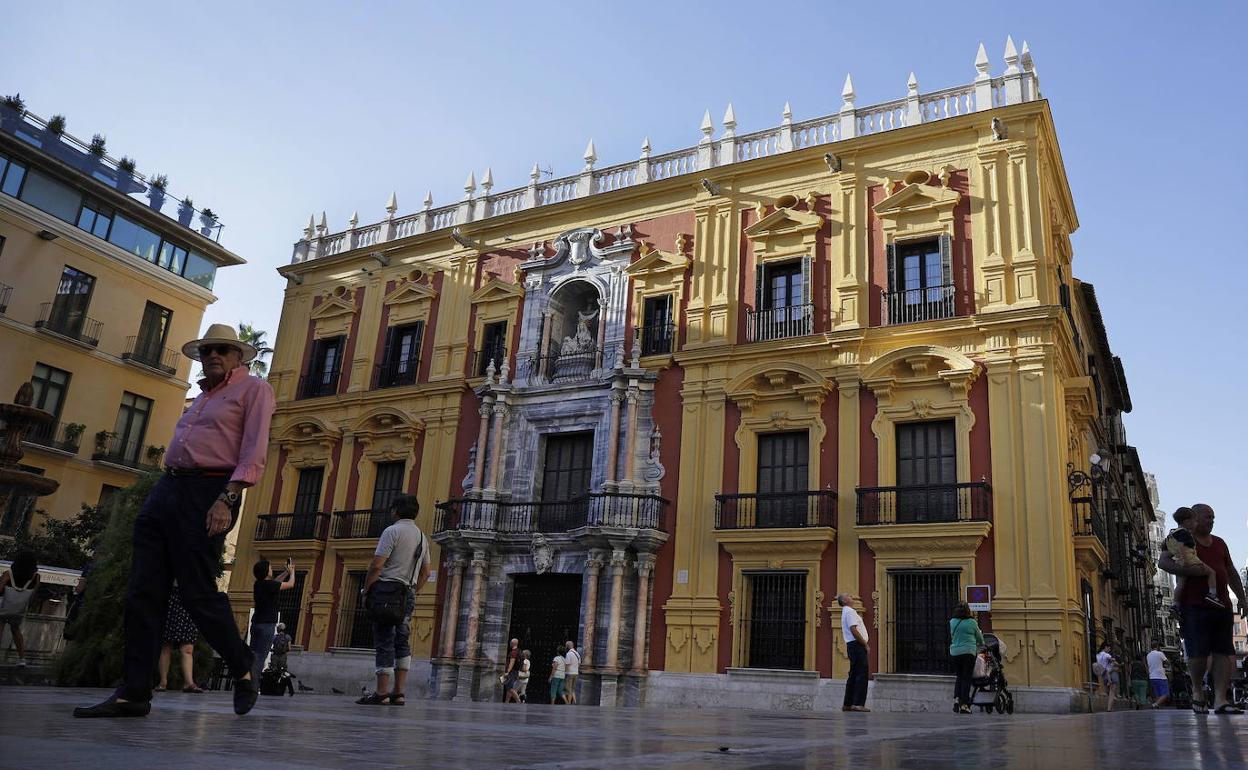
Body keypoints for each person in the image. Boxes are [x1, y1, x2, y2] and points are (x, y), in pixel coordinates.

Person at [74, 324, 276, 718]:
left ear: (238, 357)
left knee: (197, 592)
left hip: (211, 490)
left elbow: (253, 449)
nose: (213, 355)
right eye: (206, 350)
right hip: (168, 487)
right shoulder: (201, 396)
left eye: (222, 349)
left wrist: (227, 499)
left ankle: (241, 663)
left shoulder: (254, 390)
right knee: (141, 591)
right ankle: (133, 691)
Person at [1158, 503, 1248, 715]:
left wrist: (1243, 599)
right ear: (1194, 518)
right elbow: (1163, 562)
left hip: (1222, 605)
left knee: (1223, 651)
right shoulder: (1181, 538)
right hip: (1193, 606)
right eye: (1208, 516)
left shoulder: (1220, 543)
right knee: (1198, 653)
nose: (1212, 520)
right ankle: (1198, 691)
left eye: (1213, 517)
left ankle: (1220, 700)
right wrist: (1188, 569)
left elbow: (1231, 571)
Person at [357, 494, 430, 706]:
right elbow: (426, 571)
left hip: (387, 592)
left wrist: (367, 590)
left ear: (395, 510)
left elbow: (377, 565)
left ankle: (381, 693)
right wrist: (414, 590)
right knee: (402, 641)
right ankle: (399, 693)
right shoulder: (422, 537)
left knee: (384, 640)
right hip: (407, 593)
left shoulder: (392, 531)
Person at [1165, 507, 1223, 610]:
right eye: (1195, 521)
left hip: (1179, 561)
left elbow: (1165, 546)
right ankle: (1212, 595)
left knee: (1180, 585)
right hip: (1190, 560)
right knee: (1211, 572)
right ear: (1187, 522)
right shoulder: (1185, 533)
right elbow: (1183, 547)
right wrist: (1187, 560)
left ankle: (1175, 605)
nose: (1196, 524)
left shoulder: (1172, 533)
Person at [249, 557, 296, 681]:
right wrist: (292, 573)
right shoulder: (269, 585)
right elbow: (291, 584)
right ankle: (253, 682)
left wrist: (285, 572)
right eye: (269, 567)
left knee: (253, 653)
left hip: (256, 623)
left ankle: (246, 678)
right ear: (265, 571)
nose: (271, 569)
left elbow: (276, 582)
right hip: (267, 624)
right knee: (261, 655)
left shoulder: (258, 584)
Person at [156, 585, 201, 693]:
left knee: (188, 647)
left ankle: (189, 683)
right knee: (166, 644)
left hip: (191, 597)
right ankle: (163, 681)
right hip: (170, 595)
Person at [0, 551, 41, 666]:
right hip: (19, 609)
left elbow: (0, 587)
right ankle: (22, 659)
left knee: (0, 627)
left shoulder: (9, 573)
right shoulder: (36, 577)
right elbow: (33, 594)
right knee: (16, 630)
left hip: (4, 607)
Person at [949, 601, 984, 714]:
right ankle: (964, 705)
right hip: (968, 652)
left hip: (955, 653)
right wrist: (981, 642)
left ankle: (956, 699)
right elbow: (979, 638)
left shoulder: (952, 622)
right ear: (968, 611)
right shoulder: (972, 622)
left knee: (959, 676)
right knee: (966, 678)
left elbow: (952, 635)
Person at [839, 593, 870, 712]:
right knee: (861, 674)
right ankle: (858, 703)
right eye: (849, 596)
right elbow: (854, 629)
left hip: (852, 646)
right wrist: (865, 644)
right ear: (845, 601)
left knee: (853, 674)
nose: (851, 597)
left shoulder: (845, 612)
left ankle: (847, 703)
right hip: (857, 646)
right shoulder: (850, 612)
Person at [1146, 640, 1171, 709]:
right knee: (1165, 694)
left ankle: (1157, 707)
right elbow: (1168, 662)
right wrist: (1165, 665)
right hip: (1160, 676)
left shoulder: (1148, 655)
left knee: (1157, 695)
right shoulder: (1160, 654)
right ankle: (1154, 705)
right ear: (1157, 647)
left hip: (1152, 677)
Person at [1095, 642, 1119, 711]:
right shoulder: (1106, 655)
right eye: (1108, 648)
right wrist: (1115, 661)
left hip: (1103, 675)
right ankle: (1109, 708)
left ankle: (1111, 707)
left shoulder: (1097, 655)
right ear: (1105, 647)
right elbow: (1113, 661)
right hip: (1111, 673)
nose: (1109, 649)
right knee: (1112, 691)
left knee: (1109, 691)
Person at [502, 638, 521, 703]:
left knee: (510, 688)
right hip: (515, 672)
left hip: (511, 672)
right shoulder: (518, 651)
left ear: (512, 643)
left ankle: (518, 701)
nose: (509, 644)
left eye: (510, 643)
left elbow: (511, 663)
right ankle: (506, 701)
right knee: (508, 688)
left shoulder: (513, 652)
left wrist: (507, 672)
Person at [563, 640, 581, 704]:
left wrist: (564, 673)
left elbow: (567, 664)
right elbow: (579, 664)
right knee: (573, 689)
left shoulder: (569, 654)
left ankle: (569, 703)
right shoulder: (577, 654)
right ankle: (575, 702)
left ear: (567, 646)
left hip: (569, 673)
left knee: (568, 689)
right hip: (576, 673)